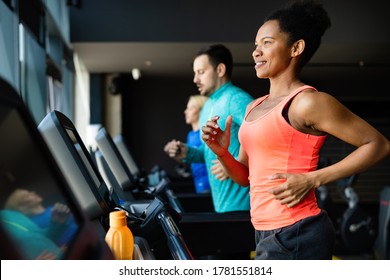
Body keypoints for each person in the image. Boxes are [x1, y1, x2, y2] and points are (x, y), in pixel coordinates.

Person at [201, 0, 390, 260]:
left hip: (297, 231)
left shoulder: (307, 102)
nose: (256, 52)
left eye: (267, 43)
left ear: (296, 48)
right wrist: (222, 153)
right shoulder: (253, 107)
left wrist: (313, 179)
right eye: (256, 45)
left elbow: (378, 144)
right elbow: (246, 177)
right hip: (264, 230)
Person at [164, 44, 254, 213]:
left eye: (201, 72)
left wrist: (233, 164)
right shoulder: (208, 106)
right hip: (221, 206)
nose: (195, 79)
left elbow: (262, 136)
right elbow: (207, 154)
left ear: (220, 70)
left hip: (244, 207)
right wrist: (185, 152)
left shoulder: (237, 99)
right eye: (195, 73)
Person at [165, 95, 211, 193]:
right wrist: (173, 152)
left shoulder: (206, 134)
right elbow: (189, 160)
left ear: (202, 111)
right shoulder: (190, 135)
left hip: (209, 185)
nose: (185, 111)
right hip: (198, 184)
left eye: (191, 108)